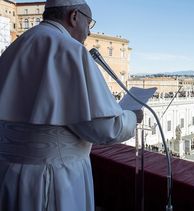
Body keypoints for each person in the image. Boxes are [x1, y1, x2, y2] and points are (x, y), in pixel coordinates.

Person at [0, 0, 142, 210]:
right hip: (53, 178)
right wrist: (132, 117)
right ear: (74, 16)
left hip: (9, 174)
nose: (88, 33)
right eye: (89, 23)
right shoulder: (71, 50)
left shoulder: (14, 48)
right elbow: (102, 128)